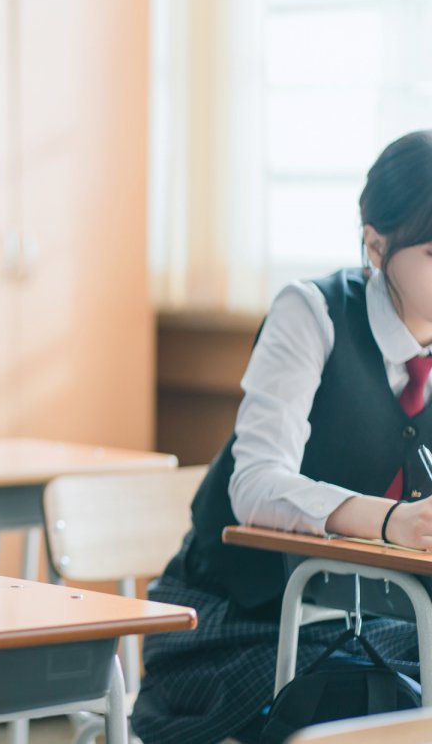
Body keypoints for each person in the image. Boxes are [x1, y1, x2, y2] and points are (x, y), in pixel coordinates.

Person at [131, 130, 432, 744]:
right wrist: (389, 521)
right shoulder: (313, 312)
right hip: (240, 621)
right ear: (376, 246)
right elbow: (257, 484)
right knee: (380, 704)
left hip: (382, 620)